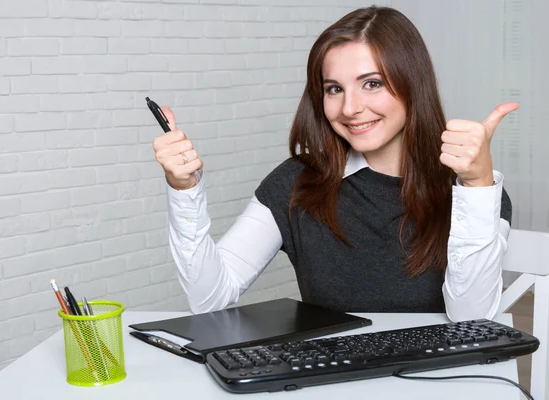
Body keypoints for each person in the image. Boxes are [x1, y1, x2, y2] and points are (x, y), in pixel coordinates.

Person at [152, 5, 517, 321]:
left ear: (412, 84)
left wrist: (478, 184)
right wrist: (184, 191)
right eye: (334, 89)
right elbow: (209, 299)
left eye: (372, 84)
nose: (349, 108)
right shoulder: (296, 183)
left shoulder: (477, 191)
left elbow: (471, 316)